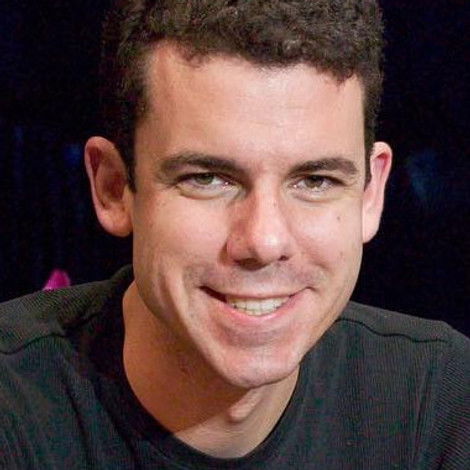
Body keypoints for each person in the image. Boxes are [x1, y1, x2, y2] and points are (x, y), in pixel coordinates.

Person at [0, 0, 468, 468]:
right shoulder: (15, 406)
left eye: (315, 181)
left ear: (370, 193)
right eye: (207, 179)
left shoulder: (440, 403)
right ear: (114, 187)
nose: (264, 242)